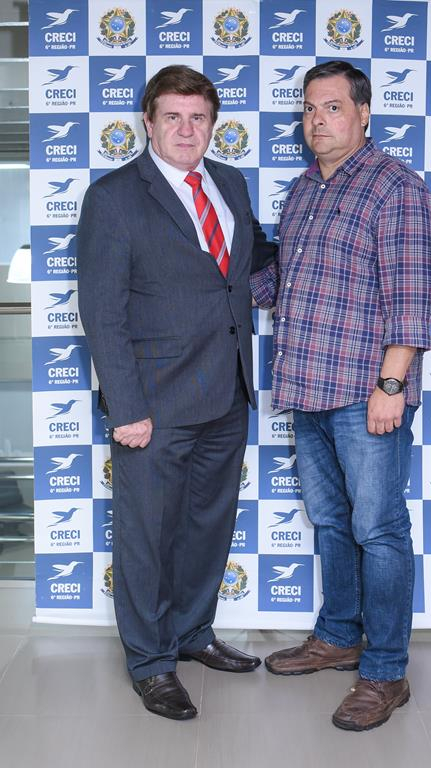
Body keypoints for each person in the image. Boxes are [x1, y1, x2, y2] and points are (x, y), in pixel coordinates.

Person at [77, 65, 276, 721]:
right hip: (155, 404)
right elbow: (101, 311)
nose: (187, 130)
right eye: (173, 117)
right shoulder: (113, 197)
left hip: (227, 392)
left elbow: (249, 258)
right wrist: (126, 408)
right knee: (146, 536)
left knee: (205, 528)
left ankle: (192, 633)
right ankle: (151, 662)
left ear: (212, 124)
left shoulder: (229, 182)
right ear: (148, 121)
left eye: (198, 118)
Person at [251, 60, 431, 731]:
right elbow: (283, 283)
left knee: (377, 529)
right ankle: (337, 635)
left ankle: (385, 672)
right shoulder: (304, 190)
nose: (316, 120)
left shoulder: (395, 186)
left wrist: (391, 385)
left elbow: (412, 297)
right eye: (308, 108)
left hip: (365, 392)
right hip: (307, 385)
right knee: (331, 521)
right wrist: (209, 266)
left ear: (362, 113)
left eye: (331, 107)